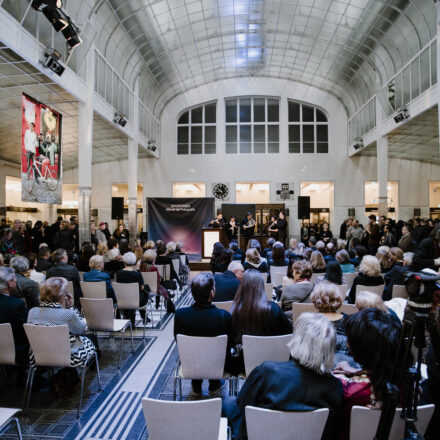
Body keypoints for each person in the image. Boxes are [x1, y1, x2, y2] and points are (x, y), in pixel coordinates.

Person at [222, 313, 343, 440]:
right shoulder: (335, 387)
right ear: (330, 349)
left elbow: (243, 404)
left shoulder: (268, 371)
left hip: (262, 434)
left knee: (227, 402)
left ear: (298, 339)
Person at [333, 309, 402, 439]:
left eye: (351, 340)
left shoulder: (352, 392)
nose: (347, 344)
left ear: (364, 350)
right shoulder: (410, 383)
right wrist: (362, 371)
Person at [174, 272, 232, 395]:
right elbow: (230, 343)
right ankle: (215, 384)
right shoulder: (224, 316)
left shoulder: (180, 315)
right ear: (212, 293)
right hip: (218, 365)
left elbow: (177, 339)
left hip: (190, 364)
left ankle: (196, 385)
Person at [227, 270, 292, 375]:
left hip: (246, 364)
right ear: (261, 287)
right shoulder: (274, 308)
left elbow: (233, 340)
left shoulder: (235, 311)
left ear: (242, 287)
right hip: (276, 362)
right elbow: (289, 333)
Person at [27, 277, 97, 368]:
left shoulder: (32, 312)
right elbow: (81, 330)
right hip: (68, 356)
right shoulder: (67, 314)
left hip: (40, 355)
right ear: (61, 296)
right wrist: (70, 307)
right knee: (91, 339)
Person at [0, 267, 29, 365]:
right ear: (10, 283)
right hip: (13, 349)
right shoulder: (16, 304)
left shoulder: (15, 303)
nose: (16, 280)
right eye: (14, 278)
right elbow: (25, 329)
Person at [115, 252, 150, 326]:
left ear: (124, 261)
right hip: (137, 301)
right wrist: (138, 269)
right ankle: (144, 316)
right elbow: (142, 287)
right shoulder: (137, 274)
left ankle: (128, 317)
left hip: (123, 300)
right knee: (144, 290)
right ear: (134, 262)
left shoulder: (118, 273)